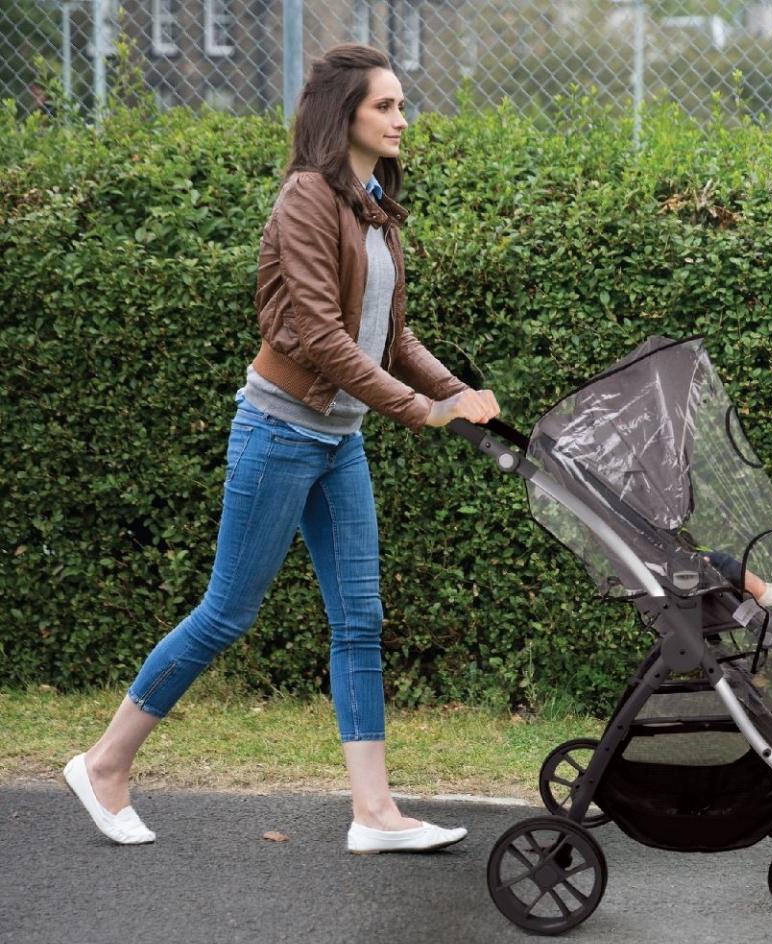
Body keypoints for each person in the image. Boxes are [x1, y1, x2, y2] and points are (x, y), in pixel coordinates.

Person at [64, 44, 500, 854]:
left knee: (359, 620)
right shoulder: (306, 197)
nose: (404, 120)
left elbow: (392, 335)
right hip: (279, 430)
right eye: (387, 106)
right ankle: (104, 763)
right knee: (228, 611)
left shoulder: (372, 203)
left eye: (404, 105)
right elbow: (320, 336)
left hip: (339, 441)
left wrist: (459, 397)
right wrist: (419, 412)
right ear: (348, 116)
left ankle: (373, 815)